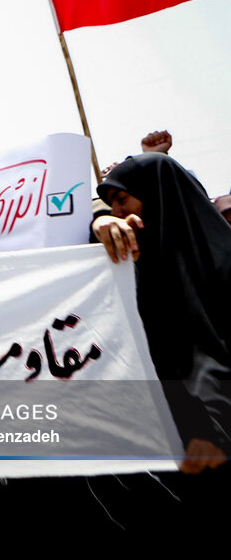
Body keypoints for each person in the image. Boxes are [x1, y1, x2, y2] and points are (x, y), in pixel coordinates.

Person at [94, 153, 231, 475]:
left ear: (156, 193)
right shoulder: (142, 265)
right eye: (111, 205)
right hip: (179, 435)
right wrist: (98, 222)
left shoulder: (223, 260)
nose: (117, 213)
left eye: (122, 200)